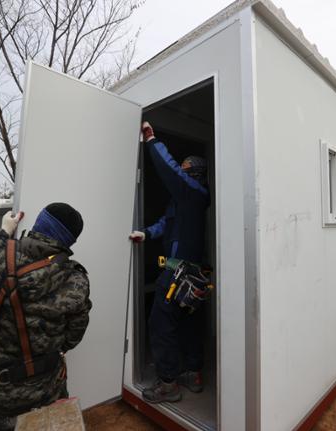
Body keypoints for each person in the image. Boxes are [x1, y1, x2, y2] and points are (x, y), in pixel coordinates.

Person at [0, 203, 91, 430]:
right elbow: (72, 337)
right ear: (69, 241)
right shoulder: (76, 279)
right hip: (47, 390)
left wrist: (3, 231)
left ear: (39, 224)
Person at [129, 121, 210, 403]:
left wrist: (151, 140)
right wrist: (146, 233)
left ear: (195, 175)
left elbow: (170, 171)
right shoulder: (184, 201)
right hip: (191, 274)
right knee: (188, 324)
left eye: (186, 171)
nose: (182, 173)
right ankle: (192, 373)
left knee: (161, 323)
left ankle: (168, 385)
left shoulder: (193, 192)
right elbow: (167, 222)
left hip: (180, 274)